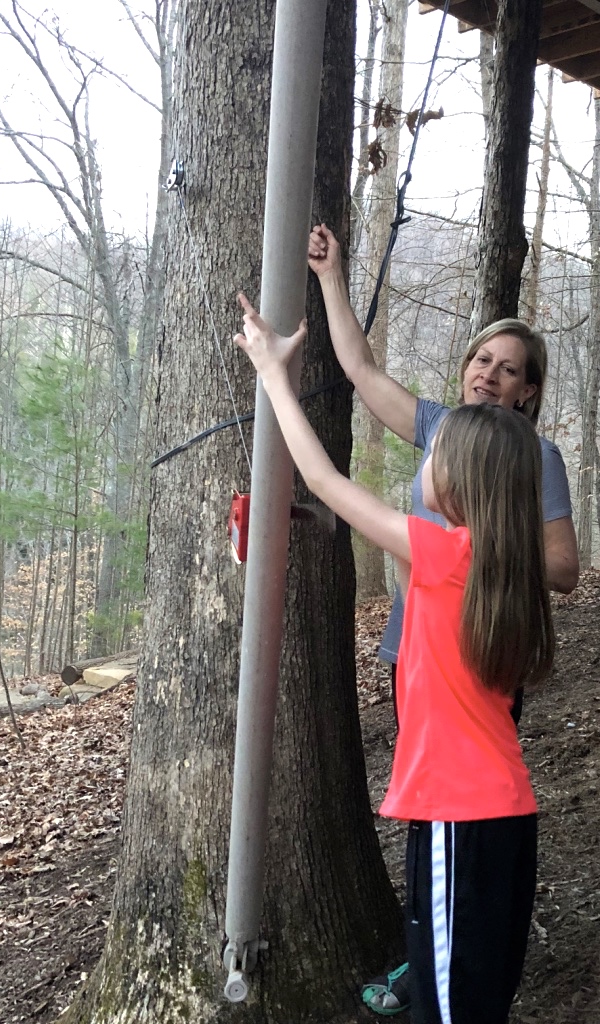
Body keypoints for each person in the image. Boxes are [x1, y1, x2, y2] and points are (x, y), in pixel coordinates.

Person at [234, 293, 554, 1024]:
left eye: (440, 455)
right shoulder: (506, 566)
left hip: (456, 821)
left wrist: (274, 375)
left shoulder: (443, 556)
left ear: (462, 483)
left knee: (445, 1012)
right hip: (505, 813)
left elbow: (322, 480)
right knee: (478, 1003)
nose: (428, 461)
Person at [307, 224, 579, 1012]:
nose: (490, 376)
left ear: (529, 391)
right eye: (482, 360)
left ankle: (448, 958)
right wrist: (331, 276)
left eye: (510, 370)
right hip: (413, 650)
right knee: (428, 808)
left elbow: (562, 568)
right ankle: (431, 941)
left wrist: (473, 557)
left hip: (477, 646)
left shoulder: (532, 457)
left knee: (459, 799)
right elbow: (360, 369)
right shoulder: (437, 427)